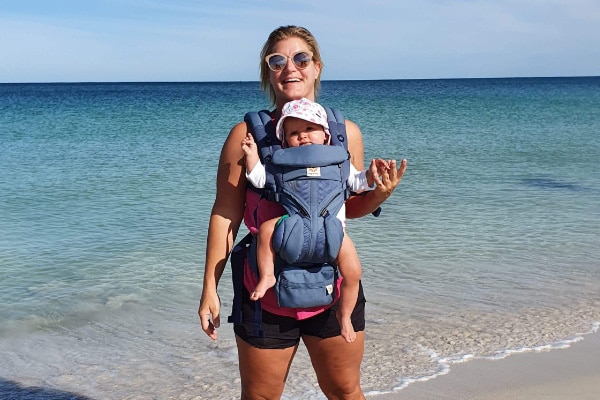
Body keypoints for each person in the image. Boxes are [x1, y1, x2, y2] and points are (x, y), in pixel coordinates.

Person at [199, 25, 407, 399]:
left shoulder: (344, 134)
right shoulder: (246, 135)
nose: (289, 67)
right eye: (276, 60)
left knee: (345, 390)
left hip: (331, 283)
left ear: (317, 67)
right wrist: (208, 287)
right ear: (268, 72)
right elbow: (225, 214)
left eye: (300, 58)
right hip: (264, 294)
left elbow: (348, 204)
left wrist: (381, 194)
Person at [242, 97, 387, 344]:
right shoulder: (282, 165)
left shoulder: (339, 162)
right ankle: (267, 275)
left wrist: (372, 176)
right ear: (285, 141)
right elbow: (259, 180)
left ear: (326, 134)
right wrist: (252, 156)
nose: (303, 137)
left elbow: (357, 184)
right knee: (266, 229)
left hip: (334, 232)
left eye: (310, 129)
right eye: (294, 133)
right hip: (293, 227)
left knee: (353, 273)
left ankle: (344, 315)